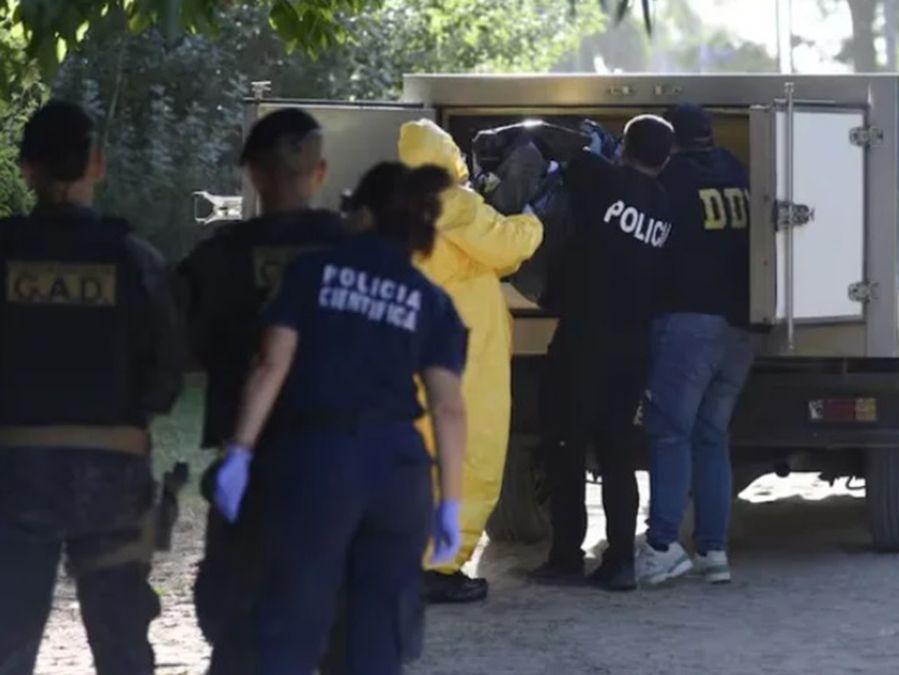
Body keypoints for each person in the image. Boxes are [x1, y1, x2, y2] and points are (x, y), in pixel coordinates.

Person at [210, 161, 468, 674]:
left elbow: (271, 363)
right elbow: (448, 407)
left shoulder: (313, 273)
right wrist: (450, 504)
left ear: (364, 214)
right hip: (399, 472)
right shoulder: (432, 301)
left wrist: (239, 452)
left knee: (293, 619)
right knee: (380, 634)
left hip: (319, 459)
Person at [0, 100, 184, 675]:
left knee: (6, 640)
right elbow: (168, 375)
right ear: (96, 165)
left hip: (13, 472)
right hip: (113, 474)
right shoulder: (135, 258)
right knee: (122, 642)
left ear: (26, 168)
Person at [178, 107, 348, 674]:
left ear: (254, 174)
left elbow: (178, 346)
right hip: (343, 464)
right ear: (319, 172)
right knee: (342, 623)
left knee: (238, 623)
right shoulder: (361, 253)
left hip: (254, 467)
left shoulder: (219, 259)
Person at [397, 119, 543, 604]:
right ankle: (441, 567)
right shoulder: (451, 202)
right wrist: (535, 218)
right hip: (464, 355)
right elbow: (503, 248)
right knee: (471, 454)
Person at [528, 115, 676, 591]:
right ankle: (619, 562)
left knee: (566, 445)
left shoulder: (601, 177)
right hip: (634, 346)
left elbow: (548, 140)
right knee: (616, 452)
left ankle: (567, 555)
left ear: (625, 148)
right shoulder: (665, 205)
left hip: (584, 338)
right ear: (667, 158)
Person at [636, 104, 758, 587]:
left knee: (669, 433)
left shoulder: (673, 179)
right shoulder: (736, 171)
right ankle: (713, 551)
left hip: (690, 322)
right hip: (744, 327)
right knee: (712, 438)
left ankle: (663, 545)